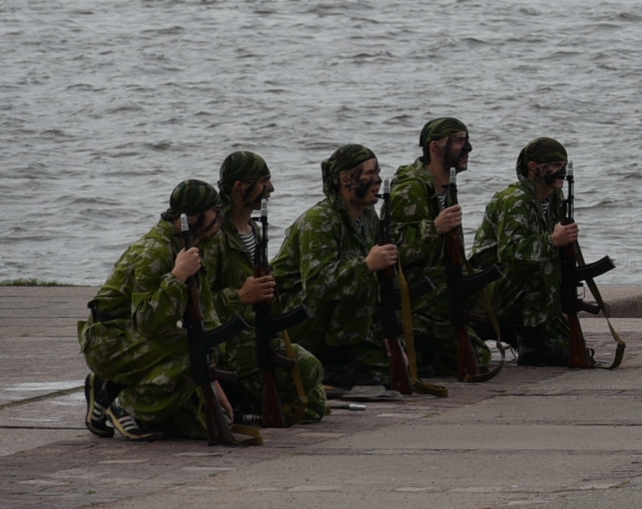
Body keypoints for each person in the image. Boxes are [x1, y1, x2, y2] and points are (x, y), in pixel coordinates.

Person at [78, 179, 251, 443]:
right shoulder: (155, 250)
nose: (221, 218)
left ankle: (108, 388)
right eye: (214, 211)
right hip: (109, 341)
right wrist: (177, 276)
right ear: (191, 217)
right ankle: (127, 406)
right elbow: (147, 322)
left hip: (139, 341)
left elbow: (206, 316)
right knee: (191, 348)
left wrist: (211, 376)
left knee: (199, 425)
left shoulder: (190, 247)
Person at [276, 145, 406, 400]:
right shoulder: (319, 220)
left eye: (378, 173)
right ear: (345, 178)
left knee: (389, 368)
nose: (378, 180)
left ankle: (347, 359)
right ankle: (334, 365)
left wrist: (390, 334)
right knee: (363, 276)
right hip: (299, 318)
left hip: (338, 323)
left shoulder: (367, 217)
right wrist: (366, 266)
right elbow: (317, 284)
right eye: (370, 173)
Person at [206, 151, 327, 425]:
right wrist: (240, 297)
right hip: (231, 345)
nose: (270, 188)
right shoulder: (216, 237)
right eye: (263, 181)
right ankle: (236, 398)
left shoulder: (253, 230)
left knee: (313, 404)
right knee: (308, 368)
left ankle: (246, 402)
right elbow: (199, 302)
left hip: (257, 333)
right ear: (239, 187)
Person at [388, 116, 489, 381]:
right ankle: (415, 342)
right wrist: (434, 228)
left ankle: (429, 348)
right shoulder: (411, 189)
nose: (467, 149)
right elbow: (394, 248)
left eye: (466, 140)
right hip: (417, 292)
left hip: (439, 285)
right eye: (459, 141)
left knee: (479, 356)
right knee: (474, 357)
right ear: (435, 147)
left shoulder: (446, 186)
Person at [479, 137, 589, 365]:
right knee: (541, 263)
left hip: (526, 288)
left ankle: (530, 332)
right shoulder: (514, 200)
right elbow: (510, 252)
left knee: (568, 345)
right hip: (497, 284)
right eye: (555, 165)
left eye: (564, 165)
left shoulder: (555, 197)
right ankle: (531, 340)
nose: (562, 172)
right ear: (533, 167)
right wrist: (552, 241)